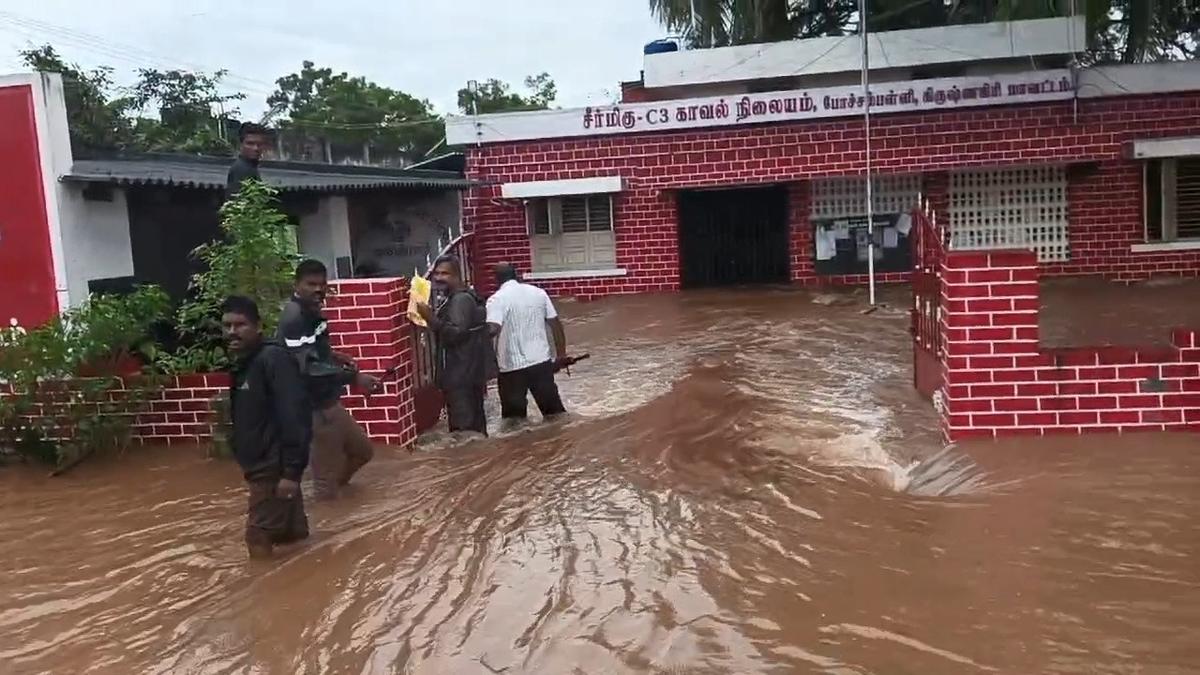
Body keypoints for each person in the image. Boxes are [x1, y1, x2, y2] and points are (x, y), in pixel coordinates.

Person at [277, 259, 380, 501]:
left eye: (321, 284)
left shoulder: (312, 310)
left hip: (328, 401)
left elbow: (311, 350)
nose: (317, 289)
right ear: (297, 285)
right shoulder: (294, 317)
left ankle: (338, 500)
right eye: (310, 284)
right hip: (314, 408)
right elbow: (307, 367)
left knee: (362, 451)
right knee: (324, 483)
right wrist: (355, 378)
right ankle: (330, 526)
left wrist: (335, 355)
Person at [222, 295, 310, 559]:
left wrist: (292, 473)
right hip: (263, 466)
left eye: (240, 325)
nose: (232, 332)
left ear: (258, 326)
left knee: (257, 535)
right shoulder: (246, 363)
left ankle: (265, 596)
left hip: (272, 469)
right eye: (226, 326)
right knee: (293, 539)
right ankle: (314, 587)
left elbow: (295, 415)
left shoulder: (272, 359)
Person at [414, 255, 491, 435]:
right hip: (466, 373)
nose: (438, 278)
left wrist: (430, 317)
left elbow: (456, 334)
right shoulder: (454, 298)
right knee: (473, 429)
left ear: (457, 275)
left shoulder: (460, 300)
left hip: (462, 376)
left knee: (464, 432)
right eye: (436, 274)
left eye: (445, 273)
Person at [485, 262, 568, 422]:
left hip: (511, 368)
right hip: (541, 363)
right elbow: (555, 325)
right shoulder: (539, 293)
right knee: (555, 415)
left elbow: (493, 329)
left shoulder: (496, 300)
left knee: (514, 423)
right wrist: (561, 355)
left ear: (496, 279)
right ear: (517, 275)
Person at [226, 122, 268, 200]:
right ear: (240, 145)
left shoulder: (251, 167)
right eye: (250, 143)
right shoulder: (241, 169)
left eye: (259, 144)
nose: (256, 148)